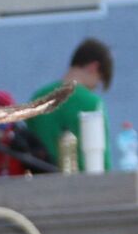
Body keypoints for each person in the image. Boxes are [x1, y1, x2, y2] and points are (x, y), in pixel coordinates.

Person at [28, 36, 114, 168]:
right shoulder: (92, 103)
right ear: (93, 67)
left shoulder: (37, 98)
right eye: (99, 80)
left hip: (42, 183)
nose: (95, 87)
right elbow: (102, 160)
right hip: (83, 184)